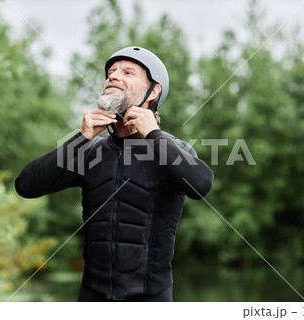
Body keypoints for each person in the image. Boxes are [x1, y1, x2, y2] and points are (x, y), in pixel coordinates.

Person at [15, 47, 213, 302]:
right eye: (111, 72)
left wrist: (153, 134)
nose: (113, 76)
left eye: (127, 72)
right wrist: (80, 137)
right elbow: (26, 186)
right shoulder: (91, 152)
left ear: (153, 92)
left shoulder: (173, 150)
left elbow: (201, 185)